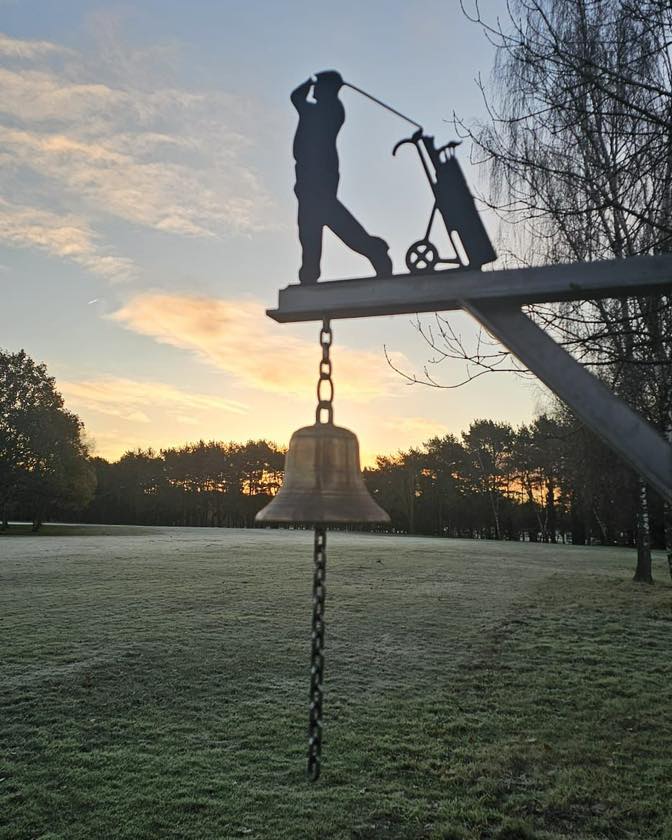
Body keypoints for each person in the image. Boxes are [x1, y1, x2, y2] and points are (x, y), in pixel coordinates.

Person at [291, 70, 392, 284]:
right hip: (310, 176)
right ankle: (311, 271)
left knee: (322, 222)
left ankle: (373, 250)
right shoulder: (318, 109)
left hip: (318, 177)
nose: (315, 89)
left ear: (327, 89)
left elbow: (297, 97)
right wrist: (312, 82)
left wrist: (309, 82)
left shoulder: (330, 110)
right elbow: (297, 98)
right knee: (314, 224)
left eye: (319, 85)